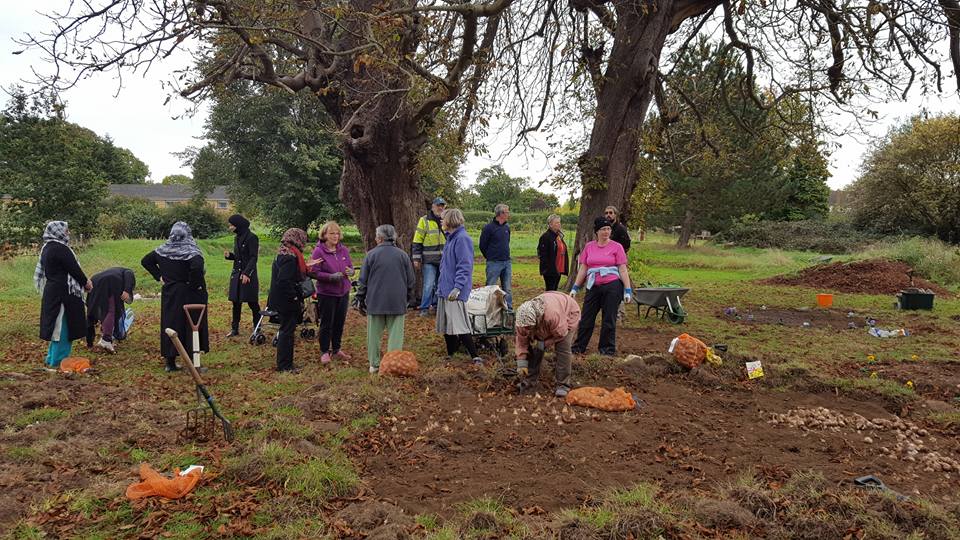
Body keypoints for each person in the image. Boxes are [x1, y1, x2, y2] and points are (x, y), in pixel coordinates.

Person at [141, 222, 209, 372]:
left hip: (171, 293)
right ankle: (193, 361)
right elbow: (198, 267)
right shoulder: (192, 251)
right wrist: (194, 285)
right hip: (191, 293)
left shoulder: (162, 250)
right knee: (192, 325)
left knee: (171, 324)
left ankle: (170, 362)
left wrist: (159, 276)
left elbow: (146, 261)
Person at [355, 225, 416, 373]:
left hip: (375, 301)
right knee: (396, 335)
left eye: (376, 236)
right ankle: (392, 364)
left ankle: (374, 364)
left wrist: (360, 298)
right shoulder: (402, 255)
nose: (375, 239)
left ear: (380, 238)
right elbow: (411, 281)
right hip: (397, 300)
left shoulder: (371, 255)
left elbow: (363, 280)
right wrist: (407, 297)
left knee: (373, 335)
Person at [570, 217, 633, 356]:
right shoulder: (589, 247)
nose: (606, 232)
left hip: (612, 286)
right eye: (603, 229)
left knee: (608, 319)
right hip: (593, 285)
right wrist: (575, 287)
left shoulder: (617, 247)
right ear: (597, 232)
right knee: (586, 317)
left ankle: (607, 350)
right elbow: (583, 268)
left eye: (608, 229)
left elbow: (622, 269)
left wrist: (627, 289)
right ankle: (578, 347)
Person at [36, 221, 92, 368]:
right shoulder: (60, 249)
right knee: (63, 328)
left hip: (54, 291)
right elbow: (74, 269)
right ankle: (59, 360)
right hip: (64, 294)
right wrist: (86, 283)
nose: (68, 233)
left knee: (57, 327)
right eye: (66, 230)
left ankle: (51, 358)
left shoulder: (47, 248)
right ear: (58, 232)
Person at [436, 208, 483, 365]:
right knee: (446, 323)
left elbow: (465, 266)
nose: (441, 221)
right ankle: (452, 354)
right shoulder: (451, 238)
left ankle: (475, 356)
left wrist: (457, 287)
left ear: (450, 220)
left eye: (443, 219)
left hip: (454, 289)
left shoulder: (462, 239)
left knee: (459, 323)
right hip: (445, 288)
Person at [514, 292, 581, 397]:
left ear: (537, 320)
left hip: (568, 313)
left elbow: (561, 334)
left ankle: (563, 385)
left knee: (562, 348)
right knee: (535, 348)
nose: (526, 330)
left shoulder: (552, 316)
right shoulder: (522, 322)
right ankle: (530, 381)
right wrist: (521, 363)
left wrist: (544, 343)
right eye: (525, 328)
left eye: (529, 327)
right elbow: (522, 343)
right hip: (545, 321)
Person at [307, 221, 354, 364]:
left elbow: (350, 267)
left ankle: (337, 349)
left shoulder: (343, 250)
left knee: (339, 322)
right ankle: (324, 351)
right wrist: (330, 277)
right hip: (327, 293)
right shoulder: (319, 251)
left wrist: (350, 272)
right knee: (327, 322)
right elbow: (313, 273)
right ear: (324, 235)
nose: (335, 236)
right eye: (332, 233)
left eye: (337, 233)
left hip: (343, 291)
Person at [267, 228, 309, 373]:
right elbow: (284, 280)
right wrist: (295, 297)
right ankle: (285, 366)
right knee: (287, 332)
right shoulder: (290, 256)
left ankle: (285, 363)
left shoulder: (283, 252)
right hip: (287, 300)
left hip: (280, 298)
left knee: (286, 330)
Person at [224, 214, 260, 337]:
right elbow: (240, 257)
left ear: (238, 225)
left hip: (247, 275)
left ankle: (257, 327)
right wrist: (231, 256)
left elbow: (253, 257)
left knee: (252, 303)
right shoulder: (237, 238)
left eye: (231, 225)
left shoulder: (252, 238)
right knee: (236, 302)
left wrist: (246, 273)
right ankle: (234, 329)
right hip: (236, 274)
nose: (230, 227)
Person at [85, 267, 136, 353]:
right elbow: (129, 273)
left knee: (95, 310)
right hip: (110, 282)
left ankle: (90, 342)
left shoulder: (117, 271)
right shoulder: (128, 273)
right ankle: (106, 340)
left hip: (94, 280)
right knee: (110, 310)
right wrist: (127, 289)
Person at [411, 197, 446, 316]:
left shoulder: (447, 220)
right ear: (433, 206)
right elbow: (417, 241)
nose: (440, 207)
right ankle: (424, 308)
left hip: (444, 260)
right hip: (429, 260)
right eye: (438, 205)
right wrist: (416, 258)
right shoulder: (424, 220)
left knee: (440, 284)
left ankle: (436, 306)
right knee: (429, 284)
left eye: (442, 205)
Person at [479, 203, 512, 308]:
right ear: (501, 213)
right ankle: (488, 308)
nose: (508, 214)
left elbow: (507, 241)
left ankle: (508, 309)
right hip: (494, 262)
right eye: (507, 212)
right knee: (491, 287)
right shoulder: (488, 228)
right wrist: (490, 256)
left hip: (506, 262)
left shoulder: (507, 227)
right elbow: (482, 245)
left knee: (507, 288)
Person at [536, 214, 568, 291]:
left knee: (555, 289)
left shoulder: (559, 236)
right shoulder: (546, 237)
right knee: (550, 290)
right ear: (550, 224)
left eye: (559, 222)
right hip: (550, 270)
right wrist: (547, 269)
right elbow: (542, 254)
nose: (559, 224)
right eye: (556, 223)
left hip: (558, 268)